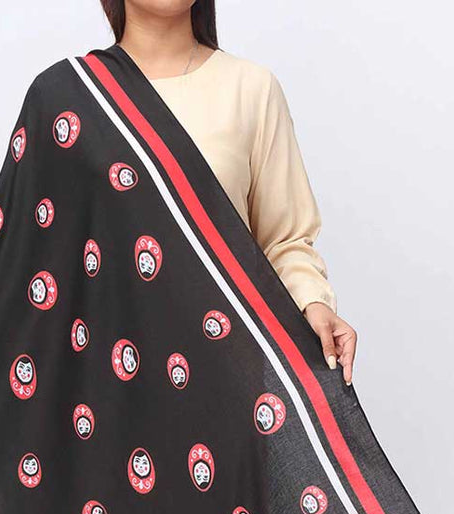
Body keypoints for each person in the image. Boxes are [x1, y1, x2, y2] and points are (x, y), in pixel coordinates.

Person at [103, 0, 359, 383]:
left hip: (226, 373)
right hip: (112, 375)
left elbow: (283, 240)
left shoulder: (250, 88)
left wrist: (313, 302)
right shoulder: (70, 102)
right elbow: (35, 256)